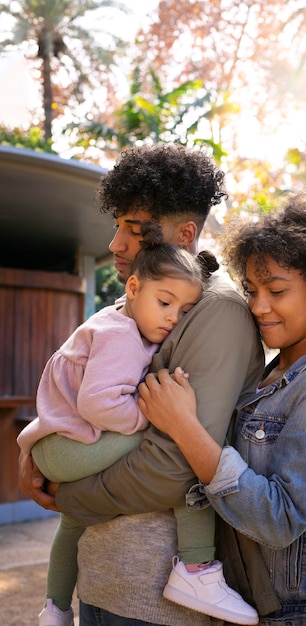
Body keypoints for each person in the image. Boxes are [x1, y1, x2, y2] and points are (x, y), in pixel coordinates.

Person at [18, 143, 265, 626]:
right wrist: (36, 449)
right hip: (102, 582)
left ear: (186, 233)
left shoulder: (217, 313)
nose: (116, 244)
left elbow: (175, 464)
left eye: (135, 230)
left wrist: (63, 494)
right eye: (117, 226)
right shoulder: (137, 305)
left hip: (155, 604)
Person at [137, 188, 306, 626]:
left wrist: (184, 428)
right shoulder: (271, 374)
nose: (258, 307)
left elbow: (281, 519)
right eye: (252, 289)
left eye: (276, 291)